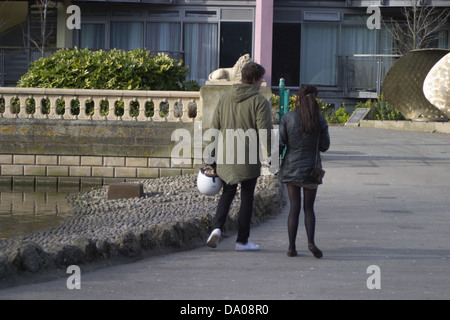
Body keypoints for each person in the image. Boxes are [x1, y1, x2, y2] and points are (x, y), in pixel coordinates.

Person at [206, 62, 273, 251]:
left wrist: (210, 156)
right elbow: (265, 132)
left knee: (227, 194)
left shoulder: (224, 98)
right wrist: (271, 157)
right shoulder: (259, 101)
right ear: (253, 80)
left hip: (225, 157)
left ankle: (217, 228)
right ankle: (242, 241)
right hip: (248, 157)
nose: (261, 84)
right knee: (247, 198)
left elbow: (214, 129)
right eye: (260, 80)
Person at [279, 85, 330, 258]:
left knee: (294, 207)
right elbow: (324, 146)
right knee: (309, 208)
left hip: (291, 168)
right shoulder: (320, 120)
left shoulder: (288, 118)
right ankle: (311, 242)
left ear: (298, 98)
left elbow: (280, 144)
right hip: (311, 170)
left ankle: (292, 247)